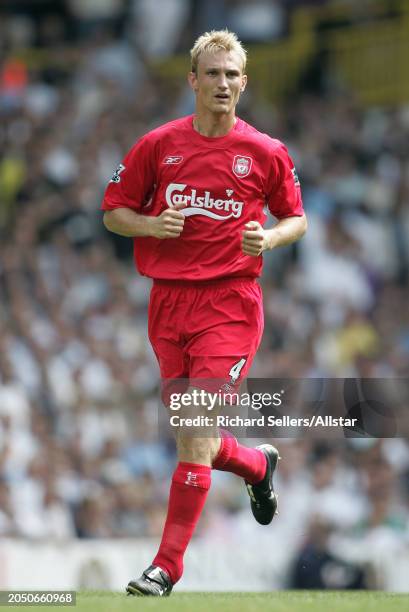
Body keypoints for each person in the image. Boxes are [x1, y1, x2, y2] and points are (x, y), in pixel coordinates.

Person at [101, 29, 307, 596]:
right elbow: (114, 212)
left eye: (231, 74)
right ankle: (258, 467)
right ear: (193, 80)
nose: (222, 83)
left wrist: (269, 238)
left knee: (193, 431)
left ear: (244, 81)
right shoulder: (158, 146)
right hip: (167, 303)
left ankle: (165, 567)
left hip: (230, 303)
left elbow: (297, 218)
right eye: (212, 73)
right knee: (195, 436)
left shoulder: (264, 152)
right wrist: (150, 224)